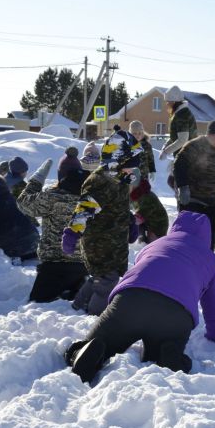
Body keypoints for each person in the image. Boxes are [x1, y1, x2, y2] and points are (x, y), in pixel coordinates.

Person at [64, 211, 215, 382]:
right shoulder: (208, 259)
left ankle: (87, 351)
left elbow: (139, 272)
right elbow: (214, 307)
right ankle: (169, 357)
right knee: (164, 347)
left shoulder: (155, 244)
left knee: (100, 341)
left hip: (130, 301)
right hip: (176, 314)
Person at [61, 130, 143, 315]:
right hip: (100, 242)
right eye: (129, 165)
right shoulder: (100, 181)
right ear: (117, 160)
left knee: (100, 277)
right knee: (107, 281)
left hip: (112, 241)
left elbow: (116, 206)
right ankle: (96, 317)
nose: (132, 170)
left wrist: (130, 222)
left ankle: (78, 305)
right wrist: (72, 233)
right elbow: (84, 209)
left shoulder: (120, 180)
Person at [17, 159, 90, 303]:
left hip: (53, 267)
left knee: (39, 307)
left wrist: (37, 180)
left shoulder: (52, 197)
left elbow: (23, 203)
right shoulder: (91, 199)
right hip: (83, 266)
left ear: (60, 175)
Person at [173, 119, 215, 250]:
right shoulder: (194, 146)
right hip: (191, 200)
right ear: (211, 134)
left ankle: (206, 260)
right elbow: (179, 165)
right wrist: (183, 187)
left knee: (214, 234)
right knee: (190, 235)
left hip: (211, 202)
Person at [158, 86, 197, 188]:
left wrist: (167, 151)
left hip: (187, 158)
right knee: (172, 182)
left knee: (177, 185)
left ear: (174, 102)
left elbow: (182, 140)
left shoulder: (182, 115)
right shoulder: (179, 114)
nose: (167, 104)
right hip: (184, 156)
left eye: (168, 101)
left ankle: (184, 203)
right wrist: (165, 146)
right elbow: (175, 137)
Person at [129, 169, 168, 244]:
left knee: (153, 245)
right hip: (148, 222)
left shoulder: (145, 197)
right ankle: (143, 240)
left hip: (157, 226)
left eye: (129, 185)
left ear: (134, 185)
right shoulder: (139, 193)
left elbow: (138, 219)